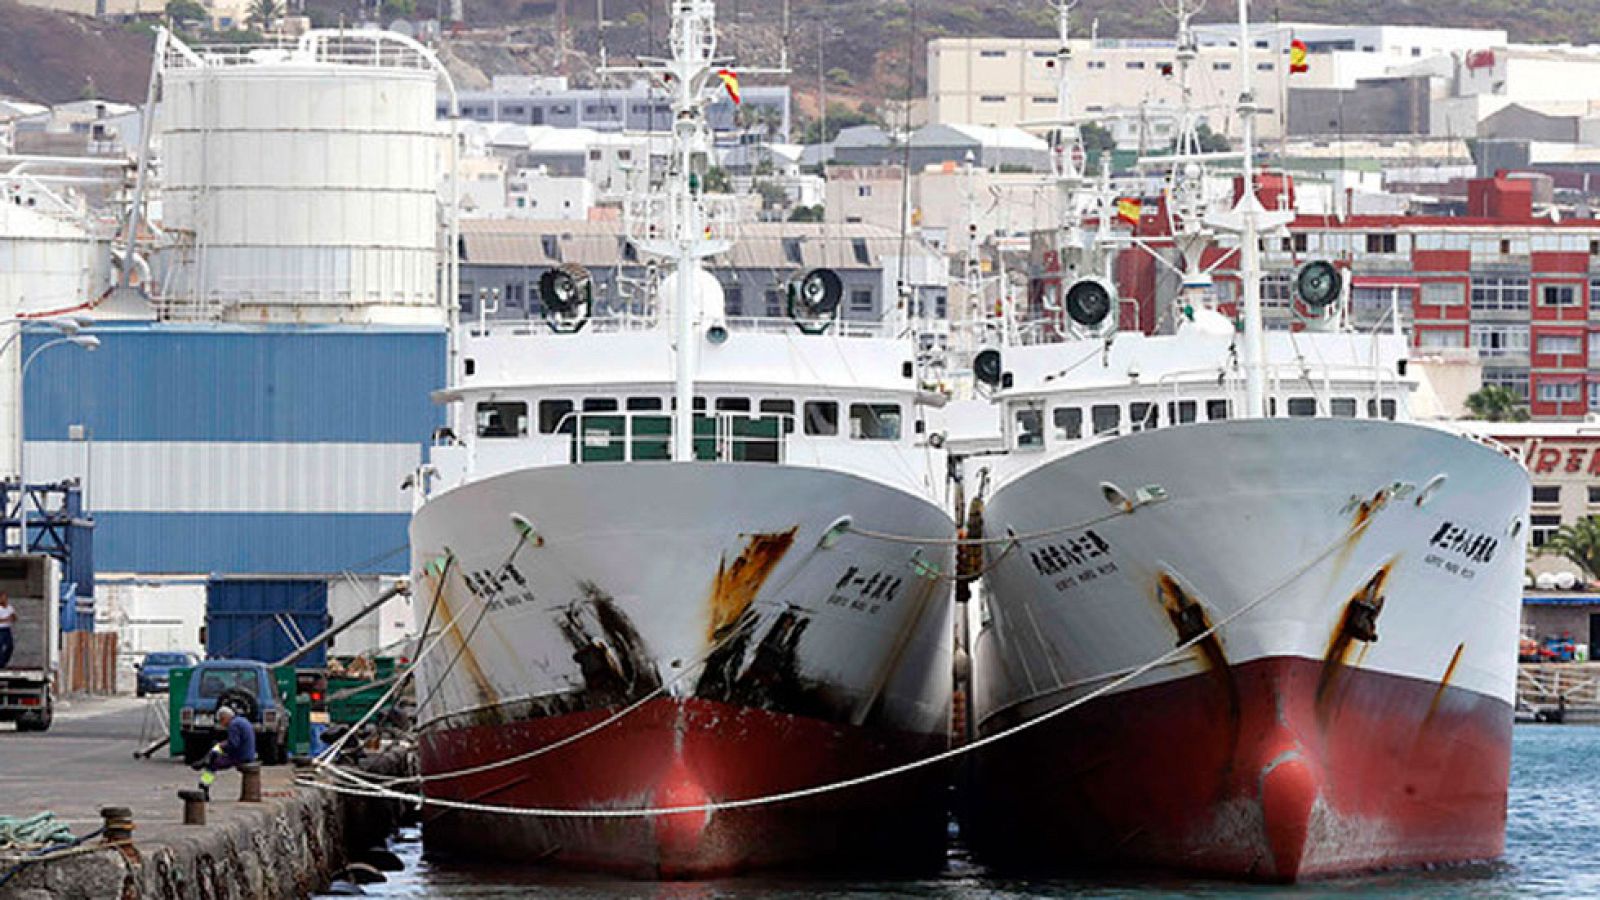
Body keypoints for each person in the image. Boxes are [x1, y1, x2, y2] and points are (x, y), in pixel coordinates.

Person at [192, 705, 256, 800]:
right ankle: (205, 759)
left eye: (221, 721)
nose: (222, 724)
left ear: (225, 717)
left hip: (241, 756)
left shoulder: (233, 725)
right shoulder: (241, 721)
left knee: (212, 764)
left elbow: (234, 744)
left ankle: (204, 785)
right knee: (216, 749)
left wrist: (223, 748)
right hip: (248, 753)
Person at [0, 593, 14, 668]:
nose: (5, 599)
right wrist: (6, 619)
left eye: (6, 598)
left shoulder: (9, 607)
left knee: (10, 646)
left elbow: (14, 617)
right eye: (3, 598)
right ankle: (1, 663)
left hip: (7, 629)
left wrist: (12, 618)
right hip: (0, 629)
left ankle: (4, 662)